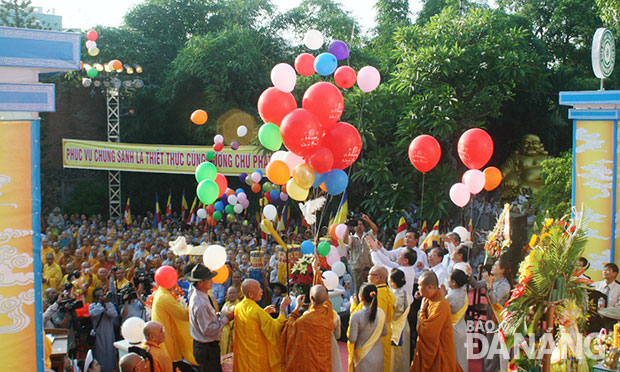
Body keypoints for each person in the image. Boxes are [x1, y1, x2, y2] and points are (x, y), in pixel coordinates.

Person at [281, 255, 335, 372]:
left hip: (309, 365)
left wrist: (296, 309)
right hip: (324, 362)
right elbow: (320, 290)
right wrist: (315, 270)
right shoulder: (328, 310)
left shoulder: (304, 320)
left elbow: (289, 327)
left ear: (311, 298)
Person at [233, 278, 291, 372]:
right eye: (258, 288)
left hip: (244, 358)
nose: (261, 290)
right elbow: (275, 328)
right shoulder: (257, 312)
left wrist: (264, 313)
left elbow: (251, 321)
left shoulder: (239, 307)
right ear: (251, 294)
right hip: (257, 359)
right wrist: (282, 308)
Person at [410, 271, 461, 372]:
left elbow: (427, 332)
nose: (418, 288)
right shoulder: (430, 299)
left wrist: (421, 312)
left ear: (429, 287)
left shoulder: (440, 304)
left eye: (420, 285)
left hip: (439, 353)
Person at [187, 264, 233, 372]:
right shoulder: (200, 302)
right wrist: (226, 319)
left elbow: (208, 318)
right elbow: (208, 330)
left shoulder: (202, 296)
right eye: (209, 279)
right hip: (206, 349)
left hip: (206, 347)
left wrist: (220, 316)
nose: (212, 281)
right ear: (200, 282)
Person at [468, 257, 512, 372]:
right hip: (490, 316)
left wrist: (489, 286)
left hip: (498, 319)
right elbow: (475, 285)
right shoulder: (493, 280)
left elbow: (494, 301)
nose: (492, 267)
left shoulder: (504, 285)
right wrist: (470, 274)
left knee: (494, 347)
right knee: (488, 345)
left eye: (496, 265)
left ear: (502, 270)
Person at [349, 266, 394, 372]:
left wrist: (353, 305)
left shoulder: (379, 296)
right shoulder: (388, 292)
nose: (367, 277)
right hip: (382, 341)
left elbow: (367, 319)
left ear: (378, 278)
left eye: (370, 275)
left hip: (367, 342)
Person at [151, 275, 197, 367]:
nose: (176, 285)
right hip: (166, 336)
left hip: (164, 332)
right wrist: (194, 300)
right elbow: (184, 315)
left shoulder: (161, 292)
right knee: (170, 364)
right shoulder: (164, 297)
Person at [343, 214, 378, 294]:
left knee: (371, 291)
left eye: (361, 224)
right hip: (357, 270)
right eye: (357, 225)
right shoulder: (351, 238)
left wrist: (368, 220)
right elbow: (345, 241)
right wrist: (347, 226)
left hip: (369, 268)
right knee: (359, 292)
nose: (359, 226)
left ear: (364, 226)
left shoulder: (369, 235)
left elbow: (375, 230)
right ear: (354, 227)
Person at [89, 287, 118, 372]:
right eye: (99, 296)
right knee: (100, 355)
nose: (102, 297)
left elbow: (113, 314)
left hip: (109, 334)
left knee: (110, 353)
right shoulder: (93, 306)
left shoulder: (109, 304)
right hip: (98, 335)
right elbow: (93, 314)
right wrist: (100, 304)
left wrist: (107, 304)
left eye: (103, 295)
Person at [446, 270, 469, 372]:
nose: (447, 281)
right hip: (462, 327)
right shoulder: (464, 293)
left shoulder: (450, 296)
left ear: (454, 282)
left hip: (452, 329)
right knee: (462, 357)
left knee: (452, 357)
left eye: (449, 279)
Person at [388, 269, 410, 372]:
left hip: (395, 328)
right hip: (404, 326)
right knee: (404, 355)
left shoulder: (392, 297)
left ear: (392, 282)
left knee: (394, 357)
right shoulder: (406, 294)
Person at [220, 286, 240, 356]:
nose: (232, 295)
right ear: (227, 294)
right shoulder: (226, 304)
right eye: (230, 293)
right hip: (224, 333)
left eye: (234, 293)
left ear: (237, 294)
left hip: (233, 333)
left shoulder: (239, 305)